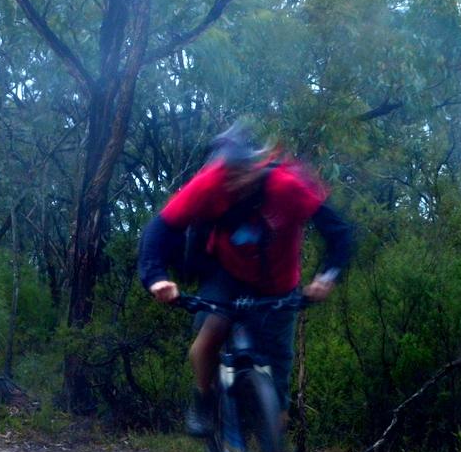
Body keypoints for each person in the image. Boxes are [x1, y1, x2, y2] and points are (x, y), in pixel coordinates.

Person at [138, 124, 354, 436]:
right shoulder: (209, 184)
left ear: (257, 165)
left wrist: (328, 276)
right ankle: (204, 400)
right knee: (209, 337)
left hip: (279, 282)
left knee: (279, 366)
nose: (235, 182)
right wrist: (156, 279)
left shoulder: (287, 186)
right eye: (227, 175)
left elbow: (338, 232)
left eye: (241, 173)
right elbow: (158, 231)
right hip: (228, 274)